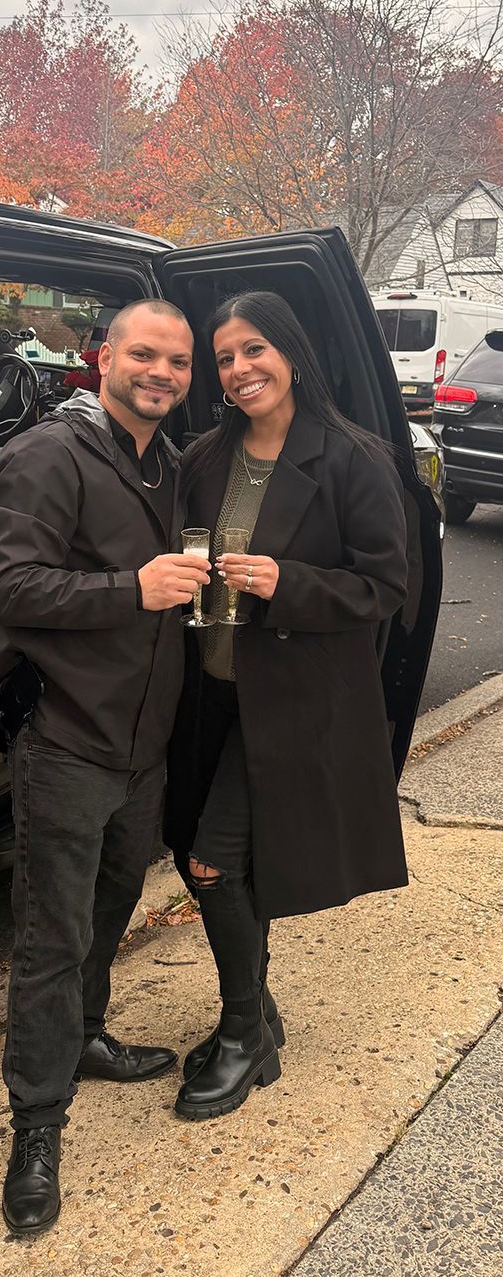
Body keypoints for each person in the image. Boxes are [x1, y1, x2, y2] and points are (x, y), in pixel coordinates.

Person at [0, 299, 211, 1236]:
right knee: (51, 938)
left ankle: (83, 1039)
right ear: (101, 356)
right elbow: (10, 583)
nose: (162, 373)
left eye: (179, 361)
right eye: (145, 354)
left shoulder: (164, 461)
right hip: (70, 740)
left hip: (141, 749)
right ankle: (36, 1124)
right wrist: (134, 587)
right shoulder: (50, 454)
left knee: (109, 908)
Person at [165, 290, 409, 1122]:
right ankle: (256, 1008)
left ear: (292, 353)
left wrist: (288, 582)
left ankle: (245, 1035)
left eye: (255, 349)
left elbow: (386, 585)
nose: (240, 369)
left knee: (212, 861)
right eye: (226, 357)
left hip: (294, 698)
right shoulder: (205, 455)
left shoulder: (352, 457)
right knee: (201, 861)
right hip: (211, 690)